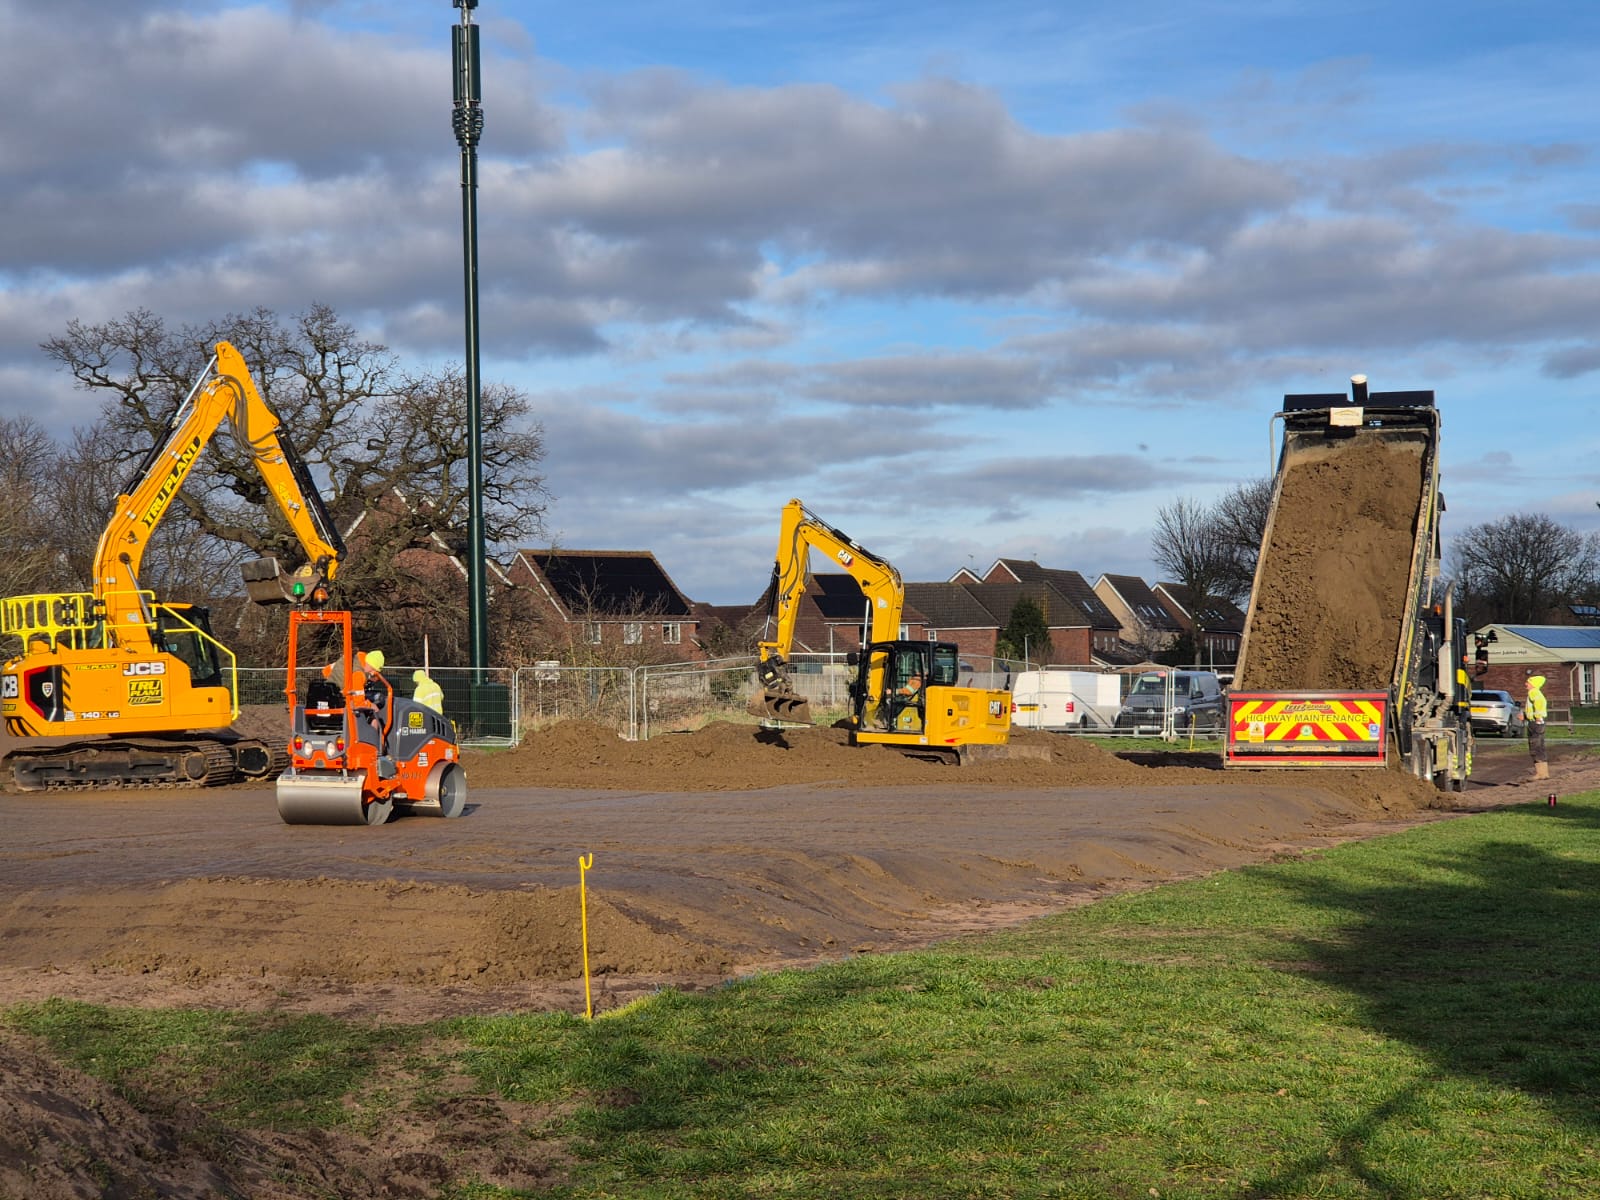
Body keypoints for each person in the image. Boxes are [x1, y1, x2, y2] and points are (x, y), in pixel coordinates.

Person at [1524, 673, 1549, 781]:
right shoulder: (1535, 692)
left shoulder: (1533, 692)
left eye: (1528, 682)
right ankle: (1543, 773)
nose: (1526, 684)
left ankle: (1541, 773)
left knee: (1535, 746)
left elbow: (1539, 703)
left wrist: (1537, 717)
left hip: (1535, 723)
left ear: (1533, 684)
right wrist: (1525, 716)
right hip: (1536, 721)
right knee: (1539, 746)